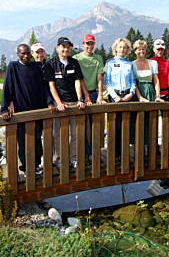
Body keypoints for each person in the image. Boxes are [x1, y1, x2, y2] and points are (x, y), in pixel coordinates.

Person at [1, 44, 53, 175]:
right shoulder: (13, 67)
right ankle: (25, 167)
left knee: (37, 139)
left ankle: (35, 165)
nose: (25, 56)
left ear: (30, 53)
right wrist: (4, 109)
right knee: (23, 141)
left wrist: (49, 102)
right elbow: (7, 88)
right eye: (22, 53)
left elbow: (44, 87)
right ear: (18, 53)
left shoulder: (36, 67)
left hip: (38, 110)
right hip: (21, 112)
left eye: (27, 53)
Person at [43, 37, 85, 168]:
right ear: (57, 48)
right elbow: (51, 86)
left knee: (76, 133)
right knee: (60, 134)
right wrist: (59, 103)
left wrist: (80, 99)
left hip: (74, 103)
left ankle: (73, 158)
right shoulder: (51, 64)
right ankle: (62, 159)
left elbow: (78, 81)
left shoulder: (74, 62)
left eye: (68, 47)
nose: (66, 49)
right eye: (63, 47)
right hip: (60, 104)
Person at [73, 34, 106, 155]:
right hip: (80, 94)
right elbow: (78, 78)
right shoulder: (76, 58)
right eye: (87, 43)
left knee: (95, 126)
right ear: (83, 44)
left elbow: (100, 78)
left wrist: (100, 95)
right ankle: (84, 153)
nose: (89, 46)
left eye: (91, 43)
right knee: (81, 126)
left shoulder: (98, 58)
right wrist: (85, 96)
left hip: (93, 93)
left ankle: (94, 153)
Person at [104, 38, 136, 159]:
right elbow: (106, 82)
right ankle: (114, 154)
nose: (122, 49)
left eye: (124, 47)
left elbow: (133, 81)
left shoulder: (129, 64)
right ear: (115, 48)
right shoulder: (110, 63)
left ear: (127, 50)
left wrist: (131, 94)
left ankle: (124, 152)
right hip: (115, 97)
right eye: (120, 47)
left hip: (127, 96)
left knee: (126, 125)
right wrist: (115, 96)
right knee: (115, 126)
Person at [132, 40, 164, 145]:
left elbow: (156, 80)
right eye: (138, 49)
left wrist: (157, 96)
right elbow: (133, 82)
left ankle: (151, 148)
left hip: (150, 92)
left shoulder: (152, 63)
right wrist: (140, 96)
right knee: (138, 121)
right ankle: (138, 147)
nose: (141, 51)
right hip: (137, 93)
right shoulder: (132, 64)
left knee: (151, 120)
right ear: (135, 51)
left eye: (143, 49)